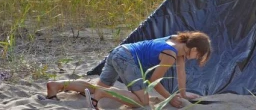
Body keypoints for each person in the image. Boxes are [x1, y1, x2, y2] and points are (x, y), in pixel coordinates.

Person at [45, 31, 212, 109]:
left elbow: (180, 73)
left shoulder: (178, 42)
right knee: (142, 101)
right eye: (199, 56)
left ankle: (57, 85)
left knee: (95, 87)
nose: (196, 59)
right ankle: (103, 93)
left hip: (119, 52)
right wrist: (170, 99)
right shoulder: (170, 54)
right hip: (127, 59)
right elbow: (153, 81)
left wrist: (183, 95)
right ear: (195, 49)